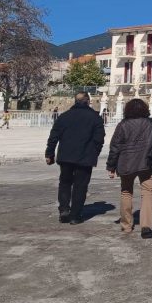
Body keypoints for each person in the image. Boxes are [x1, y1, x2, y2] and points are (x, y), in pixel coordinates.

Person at [107, 98, 152, 239]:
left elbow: (115, 147)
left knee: (126, 192)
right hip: (148, 163)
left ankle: (126, 225)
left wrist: (111, 166)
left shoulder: (123, 125)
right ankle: (146, 226)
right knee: (147, 192)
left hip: (126, 163)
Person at [45, 92, 106, 225]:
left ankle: (64, 210)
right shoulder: (95, 118)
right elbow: (99, 139)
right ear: (88, 101)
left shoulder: (64, 117)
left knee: (65, 183)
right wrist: (95, 153)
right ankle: (75, 215)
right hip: (85, 157)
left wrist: (49, 153)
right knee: (80, 186)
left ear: (75, 101)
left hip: (66, 156)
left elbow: (54, 136)